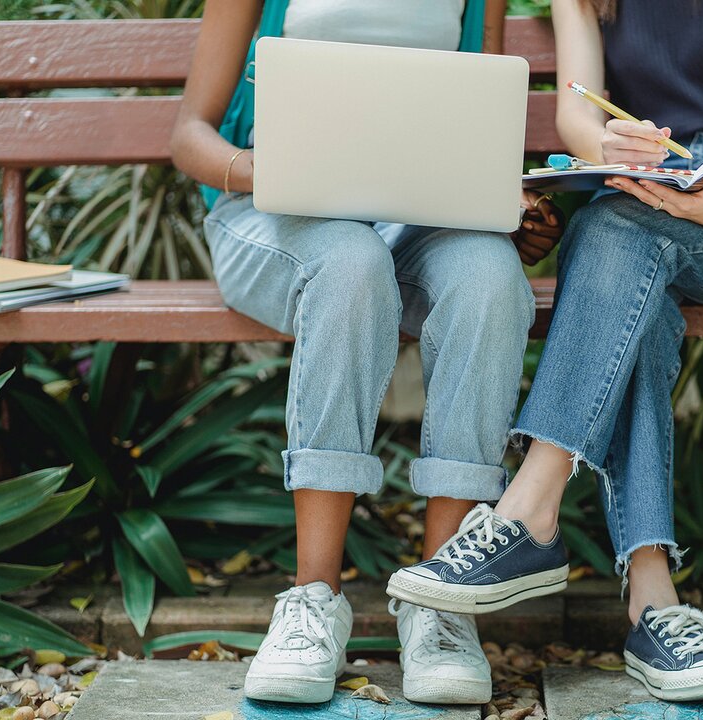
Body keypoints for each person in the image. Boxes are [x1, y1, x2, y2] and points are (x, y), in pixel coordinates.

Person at [390, 0, 703, 702]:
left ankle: (530, 507)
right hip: (649, 184)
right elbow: (577, 114)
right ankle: (655, 605)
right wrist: (608, 148)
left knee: (613, 235)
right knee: (628, 265)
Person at [170, 0, 563, 706]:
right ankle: (311, 600)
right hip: (272, 215)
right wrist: (272, 171)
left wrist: (510, 211)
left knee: (492, 280)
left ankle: (442, 605)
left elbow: (478, 136)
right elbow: (189, 137)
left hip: (417, 218)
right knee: (349, 265)